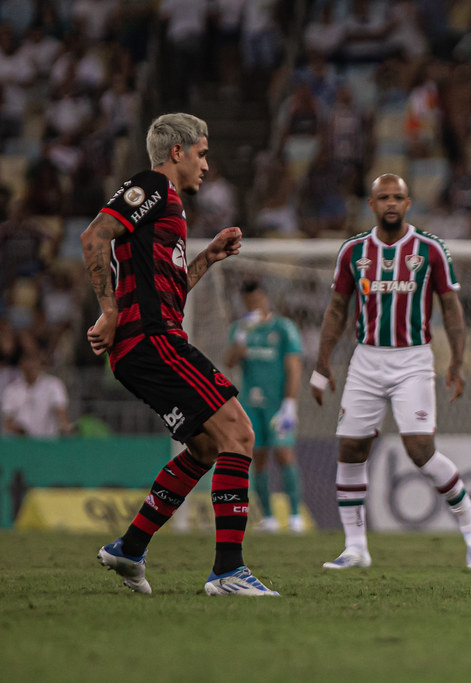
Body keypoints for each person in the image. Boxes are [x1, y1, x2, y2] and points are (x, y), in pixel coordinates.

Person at [80, 112, 278, 597]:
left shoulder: (168, 209)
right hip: (151, 339)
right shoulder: (151, 185)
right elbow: (93, 236)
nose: (206, 166)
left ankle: (129, 548)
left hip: (149, 338)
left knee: (208, 445)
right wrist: (108, 310)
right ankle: (228, 571)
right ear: (178, 153)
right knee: (239, 431)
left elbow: (168, 292)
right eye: (203, 153)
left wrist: (207, 257)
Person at [311, 173, 471, 571]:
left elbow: (452, 308)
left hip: (412, 358)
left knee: (419, 448)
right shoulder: (352, 252)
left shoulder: (430, 249)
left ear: (408, 203)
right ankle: (355, 546)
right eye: (383, 197)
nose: (391, 203)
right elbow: (337, 309)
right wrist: (323, 362)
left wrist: (457, 362)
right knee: (351, 448)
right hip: (366, 359)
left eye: (398, 197)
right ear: (371, 204)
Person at [225, 280, 305, 534]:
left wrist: (290, 403)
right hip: (250, 404)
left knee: (283, 453)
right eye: (249, 302)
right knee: (257, 459)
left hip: (277, 404)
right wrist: (238, 340)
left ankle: (294, 516)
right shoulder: (240, 328)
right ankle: (269, 517)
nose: (254, 305)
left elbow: (293, 366)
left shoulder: (283, 328)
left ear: (266, 299)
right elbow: (229, 362)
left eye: (257, 300)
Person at [1, 347, 73, 437]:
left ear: (39, 363)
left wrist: (64, 426)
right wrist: (19, 430)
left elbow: (60, 411)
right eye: (26, 360)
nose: (30, 365)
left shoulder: (53, 385)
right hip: (20, 444)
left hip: (47, 442)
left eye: (33, 360)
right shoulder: (11, 390)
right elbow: (8, 420)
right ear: (21, 364)